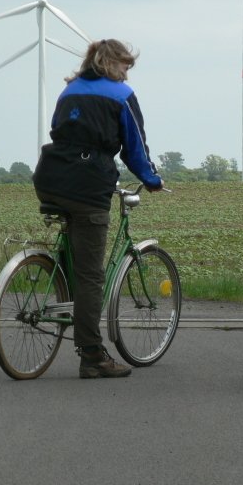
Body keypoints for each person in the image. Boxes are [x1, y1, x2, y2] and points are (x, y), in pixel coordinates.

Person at [33, 39, 164, 379]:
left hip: (49, 178)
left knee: (74, 261)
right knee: (91, 275)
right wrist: (151, 179)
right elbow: (134, 148)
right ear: (109, 63)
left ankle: (62, 291)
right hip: (88, 185)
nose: (126, 73)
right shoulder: (121, 96)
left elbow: (62, 131)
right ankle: (92, 355)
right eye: (124, 66)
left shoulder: (70, 90)